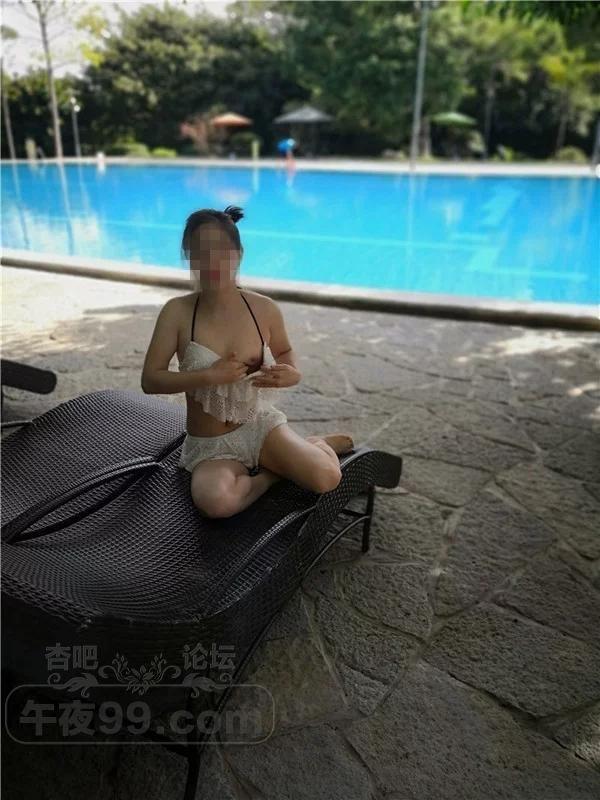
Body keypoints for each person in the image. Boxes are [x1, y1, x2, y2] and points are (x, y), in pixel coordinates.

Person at [141, 205, 354, 518]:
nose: (212, 261)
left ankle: (316, 445)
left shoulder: (263, 309)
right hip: (211, 446)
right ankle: (272, 474)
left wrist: (292, 374)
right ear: (189, 257)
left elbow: (285, 352)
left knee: (326, 477)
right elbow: (150, 380)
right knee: (216, 504)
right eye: (200, 252)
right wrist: (209, 376)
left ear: (238, 254)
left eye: (221, 251)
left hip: (259, 427)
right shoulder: (177, 312)